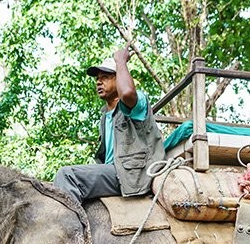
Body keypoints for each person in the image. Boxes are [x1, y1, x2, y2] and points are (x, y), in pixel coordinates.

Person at [53, 46, 166, 203]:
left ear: (118, 78)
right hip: (115, 173)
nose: (99, 82)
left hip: (132, 175)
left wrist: (120, 61)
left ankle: (67, 228)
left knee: (67, 175)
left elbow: (127, 93)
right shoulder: (105, 116)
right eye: (97, 79)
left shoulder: (137, 103)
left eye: (105, 77)